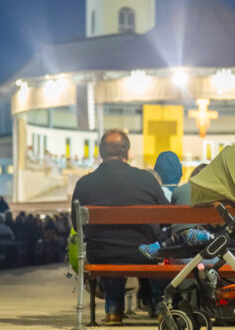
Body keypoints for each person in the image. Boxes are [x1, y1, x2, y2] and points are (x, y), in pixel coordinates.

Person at [71, 129, 169, 326]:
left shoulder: (84, 183)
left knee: (111, 249)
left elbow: (76, 224)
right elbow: (167, 217)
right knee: (156, 248)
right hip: (144, 254)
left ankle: (114, 310)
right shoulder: (146, 179)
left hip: (102, 254)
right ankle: (160, 307)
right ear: (127, 152)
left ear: (100, 153)